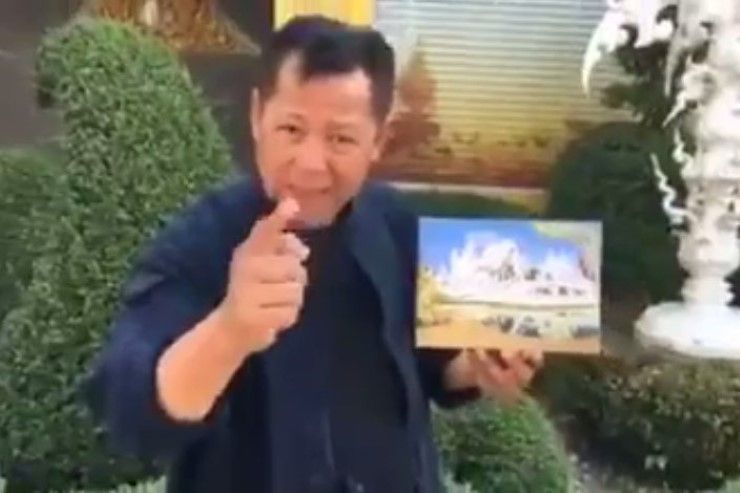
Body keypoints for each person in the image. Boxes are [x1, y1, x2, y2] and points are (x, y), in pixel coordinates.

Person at [85, 14, 544, 493]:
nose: (309, 164)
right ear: (257, 116)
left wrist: (479, 366)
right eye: (291, 129)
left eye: (340, 138)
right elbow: (132, 405)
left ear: (378, 140)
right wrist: (230, 329)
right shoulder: (201, 239)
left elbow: (432, 367)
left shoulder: (394, 223)